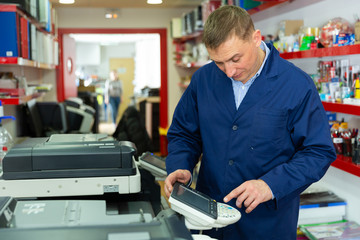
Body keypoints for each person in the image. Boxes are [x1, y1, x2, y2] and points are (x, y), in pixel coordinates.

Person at [164, 5, 336, 240]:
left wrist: (270, 185)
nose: (229, 71)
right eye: (219, 62)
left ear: (256, 38)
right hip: (208, 216)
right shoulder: (203, 80)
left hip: (266, 223)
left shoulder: (296, 85)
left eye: (235, 59)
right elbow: (184, 133)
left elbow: (318, 152)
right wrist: (181, 165)